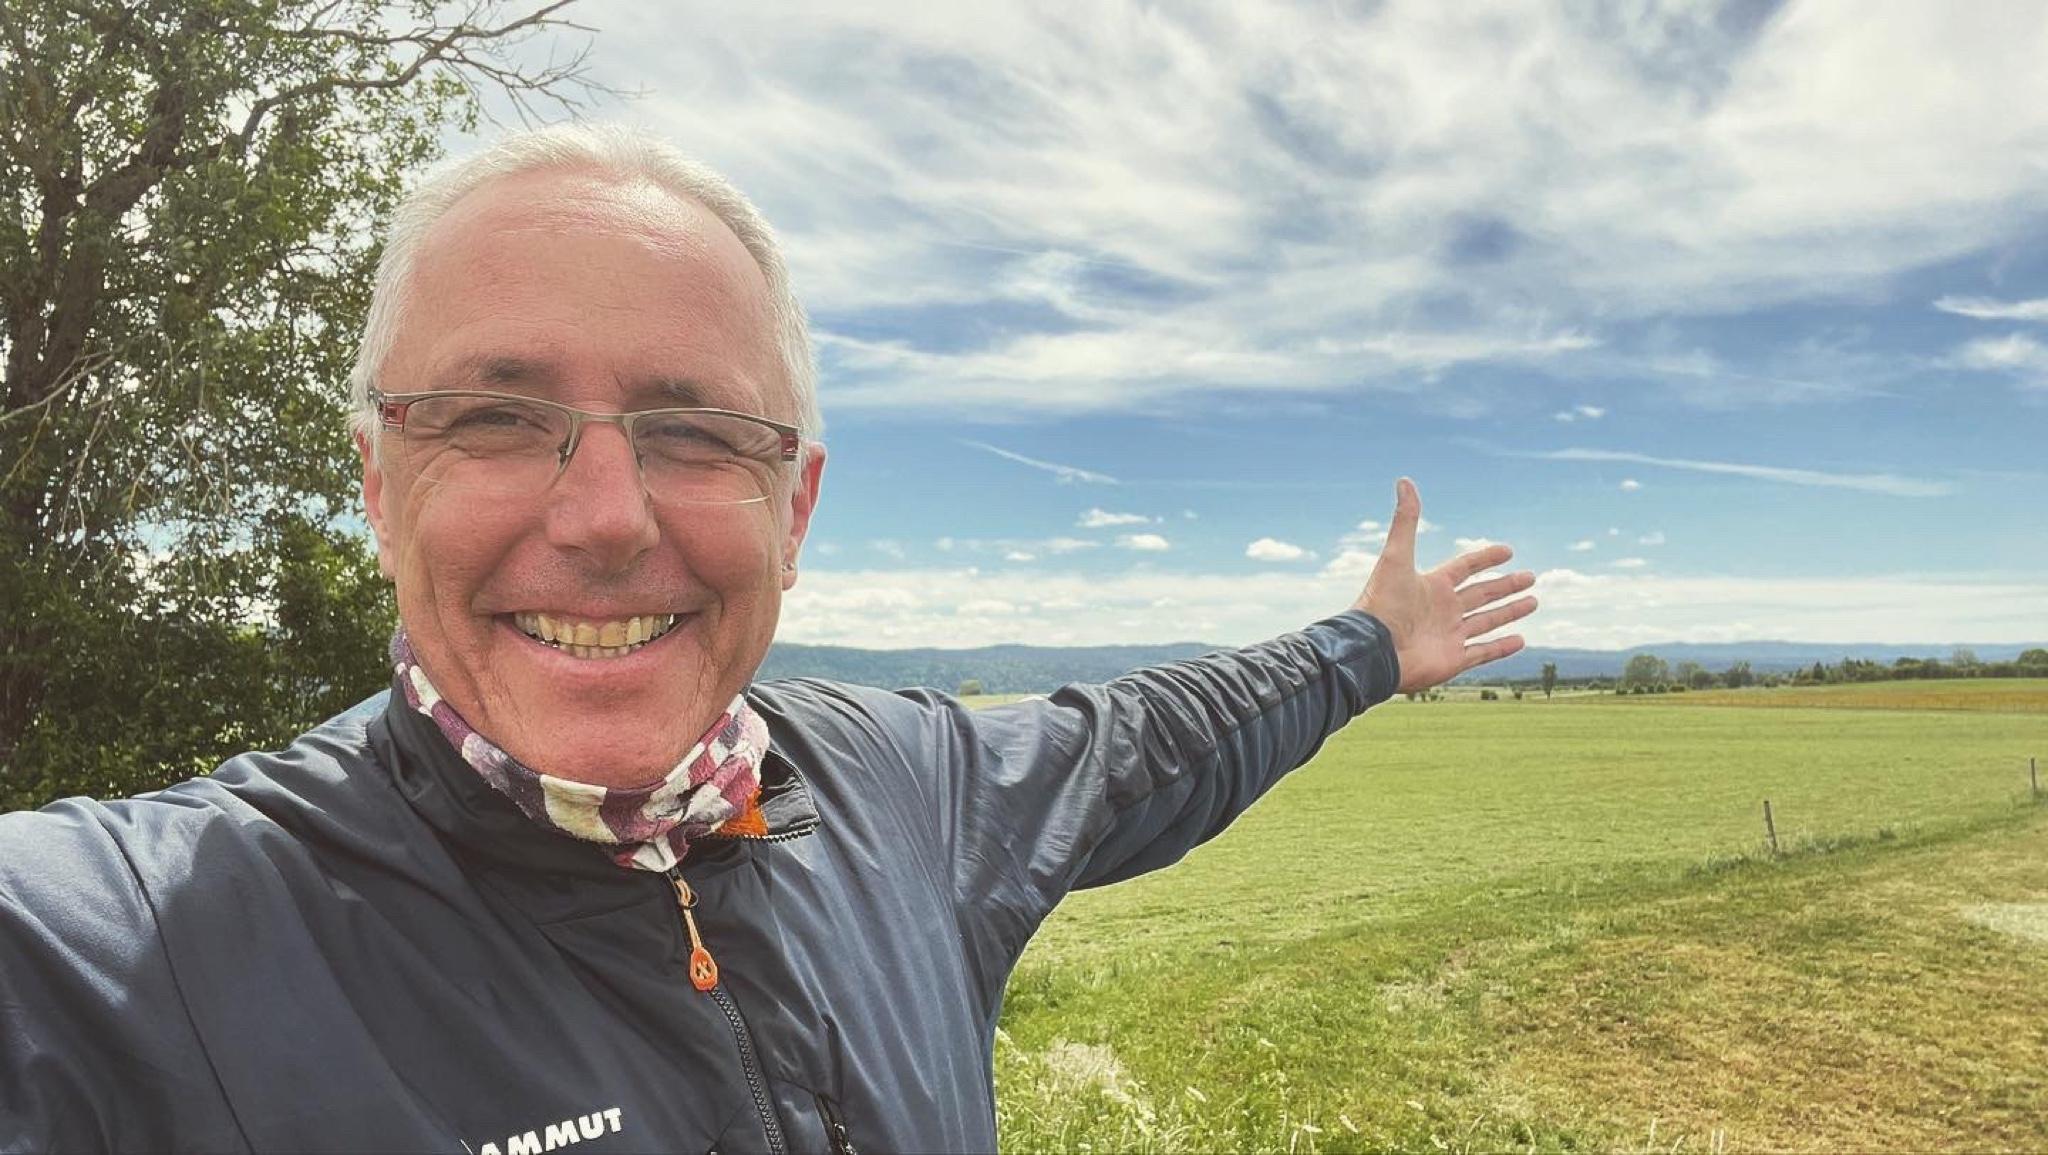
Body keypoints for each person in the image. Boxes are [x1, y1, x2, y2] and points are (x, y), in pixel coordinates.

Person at [0, 124, 1536, 1154]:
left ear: (792, 508)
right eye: (493, 416)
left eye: (695, 430)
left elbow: (1151, 739)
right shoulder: (145, 949)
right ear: (381, 486)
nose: (605, 515)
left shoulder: (900, 791)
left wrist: (1367, 645)